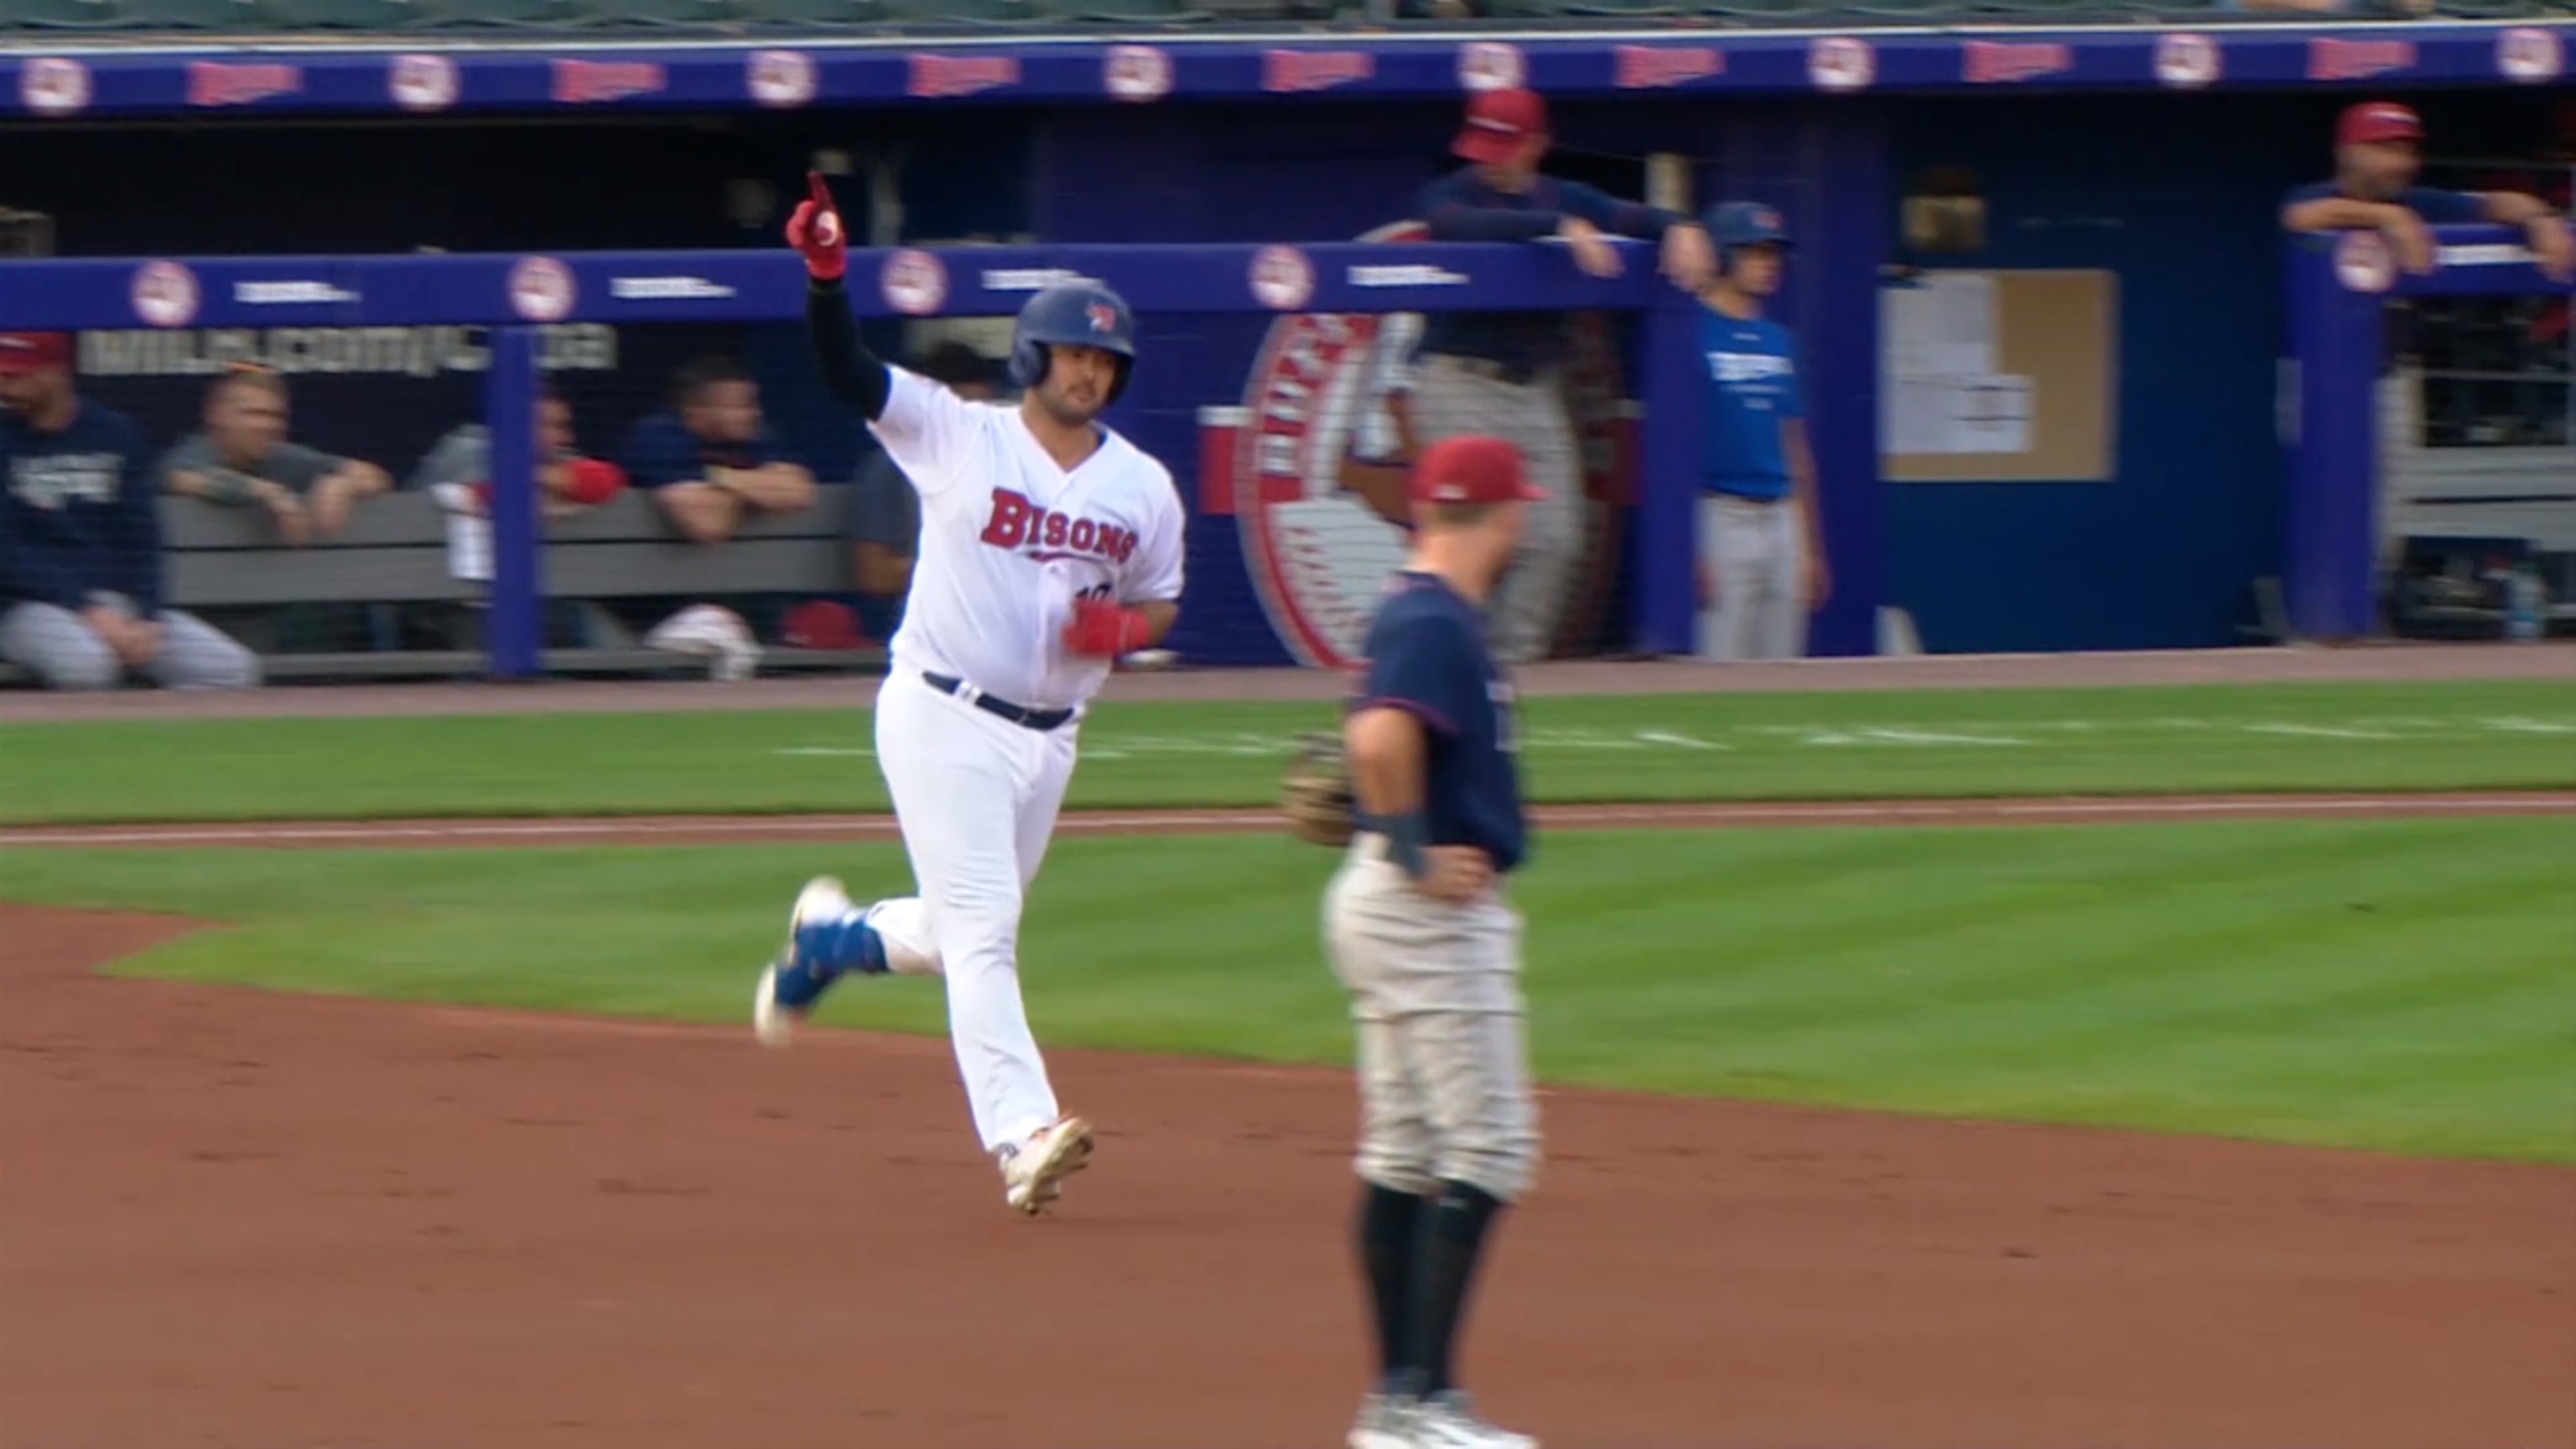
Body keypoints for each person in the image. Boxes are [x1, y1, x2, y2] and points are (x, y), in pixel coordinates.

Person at [749, 174, 1187, 1218]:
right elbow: (846, 368)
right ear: (1033, 356)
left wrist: (1122, 630)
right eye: (1074, 352)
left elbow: (1161, 605)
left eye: (1105, 359)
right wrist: (824, 275)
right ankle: (1022, 1135)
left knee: (955, 936)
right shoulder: (959, 434)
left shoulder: (1143, 488)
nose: (1089, 370)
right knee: (987, 932)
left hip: (1052, 738)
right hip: (941, 709)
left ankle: (830, 944)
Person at [1328, 435, 1545, 1449]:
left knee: (1408, 1151)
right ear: (1503, 517)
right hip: (1425, 915)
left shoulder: (1419, 611)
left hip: (1389, 906)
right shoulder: (1433, 619)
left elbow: (1373, 740)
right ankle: (1426, 1405)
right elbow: (1376, 740)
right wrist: (1414, 852)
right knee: (1487, 1150)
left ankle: (1397, 1408)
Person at [1411, 85, 1715, 662]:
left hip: (1532, 389)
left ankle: (1508, 665)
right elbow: (1451, 224)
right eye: (1484, 145)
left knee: (1556, 537)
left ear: (1537, 146)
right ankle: (1443, 662)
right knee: (1467, 534)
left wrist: (1680, 226)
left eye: (1506, 146)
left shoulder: (1564, 193)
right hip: (1459, 378)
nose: (1491, 159)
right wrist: (1555, 226)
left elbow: (1635, 216)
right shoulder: (1454, 191)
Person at [0, 331, 259, 691]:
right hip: (25, 606)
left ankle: (162, 745)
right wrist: (89, 612)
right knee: (88, 668)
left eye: (17, 376)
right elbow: (10, 558)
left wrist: (148, 616)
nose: (5, 386)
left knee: (230, 669)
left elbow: (143, 538)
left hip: (115, 603)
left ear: (56, 372)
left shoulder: (113, 433)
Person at [1690, 201, 1829, 662]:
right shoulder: (1688, 332)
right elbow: (1670, 451)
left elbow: (1794, 443)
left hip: (1781, 516)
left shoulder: (1777, 339)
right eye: (1754, 252)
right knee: (1719, 664)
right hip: (1720, 512)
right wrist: (1686, 548)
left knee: (1784, 668)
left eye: (1774, 255)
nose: (1769, 265)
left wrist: (1811, 547)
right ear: (1721, 255)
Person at [2281, 101, 2573, 283]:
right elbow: (2300, 216)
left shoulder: (2416, 201)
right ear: (2347, 154)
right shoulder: (2317, 195)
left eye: (2409, 152)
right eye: (2387, 150)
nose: (2404, 163)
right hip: (2314, 355)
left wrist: (2541, 219)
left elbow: (2495, 203)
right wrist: (2389, 217)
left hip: (2393, 360)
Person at [848, 340, 999, 641]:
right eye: (962, 413)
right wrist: (965, 565)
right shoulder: (890, 470)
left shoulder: (1003, 465)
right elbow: (875, 575)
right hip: (915, 628)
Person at [156, 365, 392, 544]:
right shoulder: (194, 451)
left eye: (275, 416)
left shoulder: (279, 455)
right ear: (216, 416)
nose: (268, 426)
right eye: (254, 414)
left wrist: (343, 483)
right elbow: (181, 479)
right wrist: (267, 493)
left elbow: (374, 476)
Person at [619, 356, 817, 544]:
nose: (753, 414)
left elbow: (797, 492)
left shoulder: (754, 435)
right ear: (695, 411)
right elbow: (708, 525)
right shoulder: (658, 436)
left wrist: (717, 477)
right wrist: (754, 490)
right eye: (738, 407)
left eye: (752, 404)